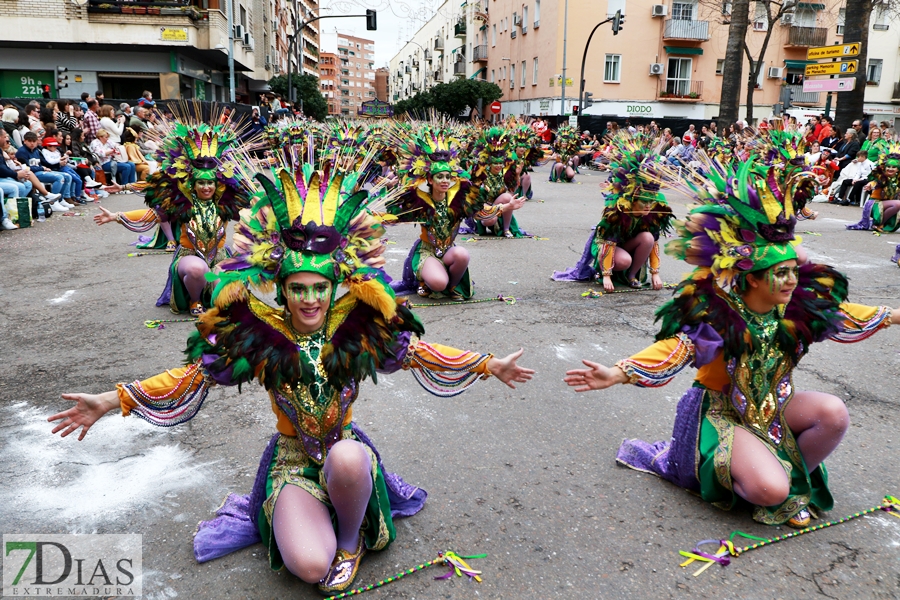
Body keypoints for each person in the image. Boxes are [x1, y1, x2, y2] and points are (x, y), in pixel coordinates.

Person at [49, 157, 534, 595]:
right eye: (298, 288)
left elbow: (420, 353)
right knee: (308, 568)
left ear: (334, 287)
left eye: (320, 288)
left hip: (345, 454)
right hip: (290, 462)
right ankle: (313, 520)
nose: (309, 299)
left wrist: (487, 364)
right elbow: (191, 376)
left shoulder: (359, 326)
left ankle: (350, 540)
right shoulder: (258, 335)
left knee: (345, 456)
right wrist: (112, 401)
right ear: (282, 289)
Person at [565, 157, 900, 529]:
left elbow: (848, 312)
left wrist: (896, 314)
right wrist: (617, 372)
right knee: (768, 493)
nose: (793, 280)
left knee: (833, 413)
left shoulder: (795, 307)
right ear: (752, 279)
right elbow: (677, 348)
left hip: (774, 405)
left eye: (793, 271)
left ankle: (788, 476)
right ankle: (766, 483)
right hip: (721, 414)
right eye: (781, 273)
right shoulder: (722, 315)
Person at [95, 119, 252, 313]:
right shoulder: (182, 202)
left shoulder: (225, 203)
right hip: (189, 256)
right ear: (192, 184)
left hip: (219, 256)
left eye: (210, 182)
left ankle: (215, 294)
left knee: (229, 292)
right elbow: (152, 213)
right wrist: (116, 215)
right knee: (197, 270)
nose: (206, 187)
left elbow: (254, 212)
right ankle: (195, 301)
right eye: (201, 183)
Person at [386, 128, 506, 301]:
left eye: (447, 176)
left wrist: (507, 206)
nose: (444, 180)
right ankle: (428, 281)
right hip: (427, 252)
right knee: (438, 283)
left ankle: (453, 287)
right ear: (429, 179)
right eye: (439, 176)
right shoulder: (420, 200)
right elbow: (395, 214)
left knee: (462, 254)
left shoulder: (458, 199)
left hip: (449, 251)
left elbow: (483, 215)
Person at [552, 135, 673, 289]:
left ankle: (631, 276)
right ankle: (601, 269)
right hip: (607, 246)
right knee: (624, 261)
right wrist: (606, 276)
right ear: (633, 197)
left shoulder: (653, 210)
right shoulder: (619, 209)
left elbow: (654, 242)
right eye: (644, 201)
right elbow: (608, 241)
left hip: (628, 244)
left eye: (651, 201)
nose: (649, 205)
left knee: (648, 238)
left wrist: (655, 273)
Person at [462, 126, 528, 238]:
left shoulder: (504, 173)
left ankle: (506, 229)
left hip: (499, 206)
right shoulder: (482, 174)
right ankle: (487, 224)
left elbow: (513, 191)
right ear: (489, 162)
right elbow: (472, 195)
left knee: (508, 196)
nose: (498, 166)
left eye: (500, 163)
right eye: (495, 163)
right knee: (491, 220)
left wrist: (517, 174)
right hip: (484, 208)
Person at [847, 148, 900, 233]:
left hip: (888, 206)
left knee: (897, 204)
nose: (890, 169)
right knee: (898, 204)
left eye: (894, 167)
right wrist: (870, 185)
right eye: (888, 167)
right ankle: (878, 224)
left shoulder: (898, 180)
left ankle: (880, 224)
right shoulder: (881, 177)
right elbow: (874, 181)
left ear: (898, 169)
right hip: (875, 205)